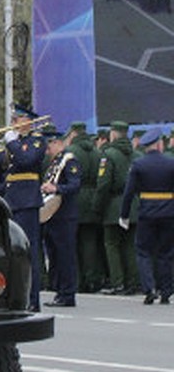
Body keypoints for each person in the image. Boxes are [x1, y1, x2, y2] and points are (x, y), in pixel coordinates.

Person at [0, 104, 46, 311]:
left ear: (28, 120)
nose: (13, 123)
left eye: (17, 119)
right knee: (14, 250)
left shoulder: (37, 140)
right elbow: (5, 167)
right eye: (13, 119)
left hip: (28, 200)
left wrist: (11, 143)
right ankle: (17, 295)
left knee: (29, 250)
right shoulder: (17, 143)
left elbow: (26, 160)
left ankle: (32, 298)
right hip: (13, 199)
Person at [119, 126, 174, 304]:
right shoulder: (171, 163)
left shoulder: (139, 164)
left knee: (143, 251)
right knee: (165, 252)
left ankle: (149, 288)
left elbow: (128, 193)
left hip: (147, 212)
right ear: (159, 144)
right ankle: (166, 290)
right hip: (168, 212)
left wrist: (124, 215)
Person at [39, 124, 81, 307]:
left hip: (65, 215)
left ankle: (67, 293)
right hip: (53, 216)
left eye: (49, 146)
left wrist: (56, 188)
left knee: (65, 256)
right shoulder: (55, 162)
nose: (47, 150)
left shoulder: (69, 161)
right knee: (55, 255)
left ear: (57, 143)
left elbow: (75, 185)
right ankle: (59, 291)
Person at [96, 120, 139, 295]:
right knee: (130, 244)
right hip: (134, 205)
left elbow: (104, 184)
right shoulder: (136, 155)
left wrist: (97, 206)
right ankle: (133, 282)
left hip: (114, 205)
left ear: (113, 134)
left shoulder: (109, 155)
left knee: (112, 244)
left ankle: (117, 282)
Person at [66, 121, 105, 293]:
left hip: (76, 198)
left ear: (73, 133)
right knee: (91, 242)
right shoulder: (97, 152)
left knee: (74, 242)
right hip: (93, 197)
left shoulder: (71, 152)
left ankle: (79, 280)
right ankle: (93, 278)